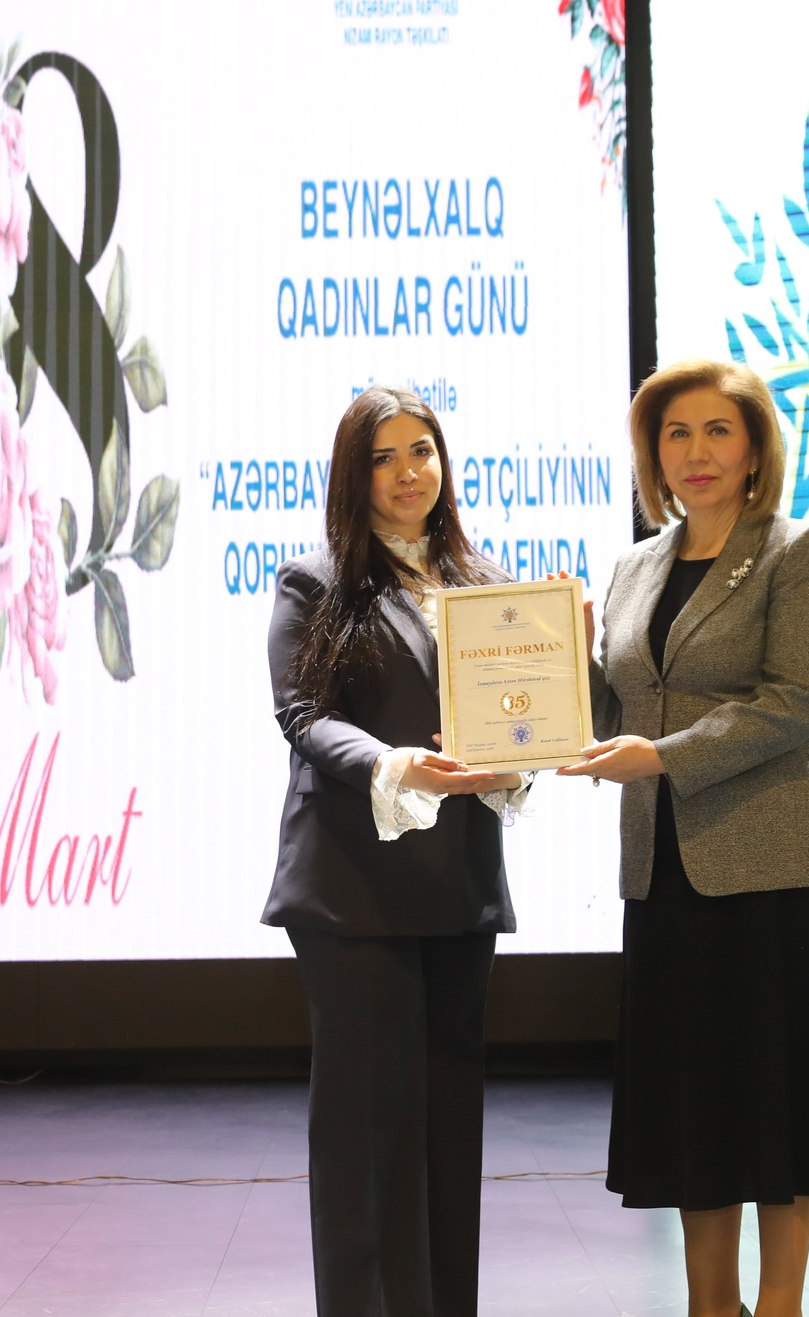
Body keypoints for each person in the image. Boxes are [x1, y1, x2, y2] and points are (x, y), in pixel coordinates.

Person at [558, 359, 809, 1317]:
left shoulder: (796, 548)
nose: (695, 452)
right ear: (653, 454)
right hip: (666, 867)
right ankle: (712, 1305)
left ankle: (779, 1303)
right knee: (694, 1100)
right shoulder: (635, 567)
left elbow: (794, 701)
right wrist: (561, 659)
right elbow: (618, 711)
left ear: (753, 450)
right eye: (676, 433)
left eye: (716, 431)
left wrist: (660, 757)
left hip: (777, 861)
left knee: (779, 1098)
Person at [264, 385, 530, 1317]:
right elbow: (302, 715)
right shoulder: (314, 582)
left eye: (422, 450)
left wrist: (548, 706)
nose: (409, 472)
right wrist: (391, 761)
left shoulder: (487, 585)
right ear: (353, 474)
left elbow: (515, 720)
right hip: (352, 888)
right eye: (383, 457)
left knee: (449, 1120)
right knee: (367, 1125)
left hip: (458, 881)